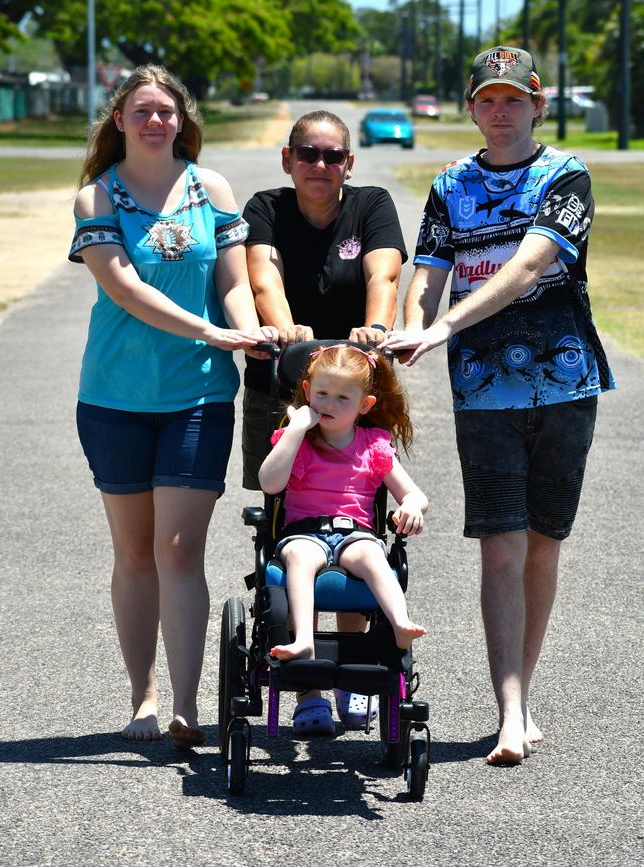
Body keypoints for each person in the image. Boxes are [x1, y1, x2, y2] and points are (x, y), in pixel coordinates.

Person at [382, 46, 615, 765]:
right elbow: (429, 272)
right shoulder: (450, 185)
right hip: (483, 392)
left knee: (543, 542)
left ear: (538, 105)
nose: (500, 111)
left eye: (515, 99)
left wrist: (446, 324)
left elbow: (527, 266)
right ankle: (508, 710)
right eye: (488, 100)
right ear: (472, 107)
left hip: (565, 385)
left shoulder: (564, 175)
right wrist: (415, 327)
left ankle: (524, 692)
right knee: (502, 544)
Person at [68, 65, 276, 748]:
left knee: (179, 548)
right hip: (114, 397)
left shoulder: (208, 188)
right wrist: (210, 328)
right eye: (143, 111)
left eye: (168, 112)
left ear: (182, 120)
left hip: (199, 393)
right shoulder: (97, 197)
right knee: (133, 552)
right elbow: (122, 287)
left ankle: (187, 705)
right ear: (120, 119)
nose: (157, 121)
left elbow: (234, 282)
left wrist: (246, 332)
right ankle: (143, 697)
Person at [242, 109, 408, 728]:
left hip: (354, 380)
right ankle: (307, 684)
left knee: (362, 512)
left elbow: (383, 272)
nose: (319, 165)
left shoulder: (370, 205)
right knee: (286, 516)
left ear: (348, 164)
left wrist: (377, 329)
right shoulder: (266, 206)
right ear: (288, 160)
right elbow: (265, 276)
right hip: (282, 382)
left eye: (332, 155)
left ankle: (358, 670)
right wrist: (285, 329)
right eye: (307, 154)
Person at [259, 344, 428, 735]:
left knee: (373, 556)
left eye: (342, 397)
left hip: (354, 532)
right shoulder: (297, 439)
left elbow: (413, 494)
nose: (329, 404)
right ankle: (303, 641)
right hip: (304, 531)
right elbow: (269, 483)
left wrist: (413, 508)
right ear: (305, 391)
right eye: (321, 394)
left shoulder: (373, 446)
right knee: (300, 557)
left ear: (364, 404)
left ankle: (399, 623)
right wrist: (296, 429)